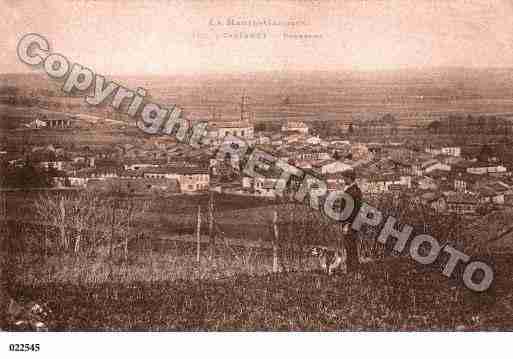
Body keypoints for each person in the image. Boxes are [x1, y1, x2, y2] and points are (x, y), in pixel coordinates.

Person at [341, 170, 362, 273]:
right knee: (352, 247)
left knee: (350, 247)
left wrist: (347, 224)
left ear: (349, 178)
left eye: (345, 178)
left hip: (350, 224)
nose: (343, 180)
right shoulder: (356, 190)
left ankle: (351, 270)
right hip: (354, 224)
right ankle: (353, 270)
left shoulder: (351, 192)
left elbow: (352, 210)